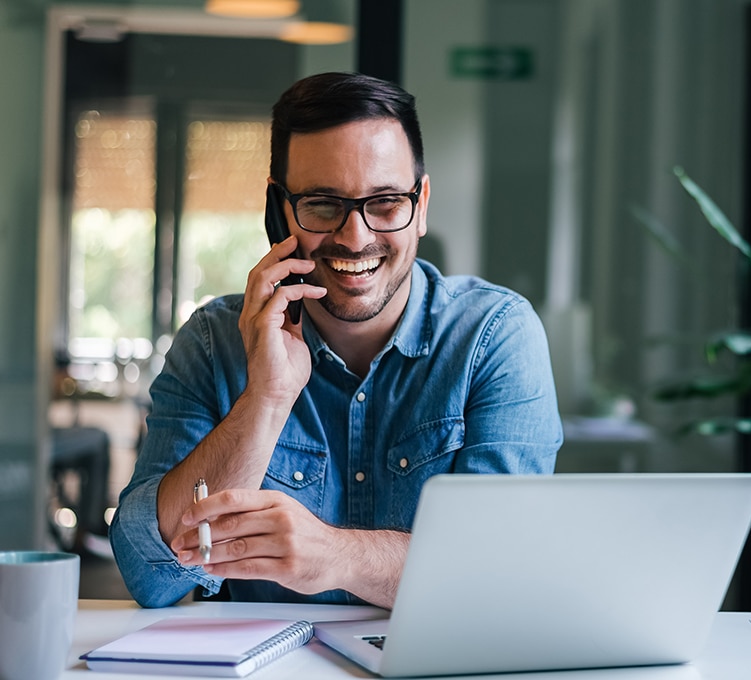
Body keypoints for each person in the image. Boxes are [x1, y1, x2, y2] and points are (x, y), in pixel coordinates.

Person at [110, 72, 562, 609]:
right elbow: (150, 576)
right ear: (280, 211)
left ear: (421, 204)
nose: (355, 236)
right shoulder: (213, 342)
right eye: (323, 204)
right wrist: (266, 399)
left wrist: (336, 555)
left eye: (386, 202)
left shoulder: (495, 336)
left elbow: (502, 571)